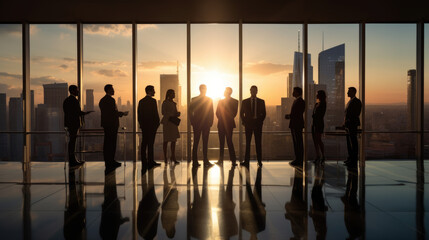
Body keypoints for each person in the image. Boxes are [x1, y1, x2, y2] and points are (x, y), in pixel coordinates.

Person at [99, 84, 128, 172]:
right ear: (108, 90)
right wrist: (123, 113)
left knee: (107, 143)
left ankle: (108, 161)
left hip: (106, 124)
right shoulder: (111, 100)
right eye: (112, 89)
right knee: (112, 143)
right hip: (112, 125)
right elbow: (113, 113)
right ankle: (111, 161)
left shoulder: (102, 100)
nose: (114, 91)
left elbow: (107, 113)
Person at [63, 85, 92, 167]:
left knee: (72, 142)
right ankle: (73, 160)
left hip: (70, 124)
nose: (78, 92)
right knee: (73, 142)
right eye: (77, 90)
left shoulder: (67, 100)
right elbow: (76, 112)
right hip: (73, 124)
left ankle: (73, 159)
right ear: (72, 91)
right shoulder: (74, 100)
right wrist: (85, 113)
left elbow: (68, 113)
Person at [240, 85, 266, 167]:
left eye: (255, 90)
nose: (253, 92)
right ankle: (246, 161)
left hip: (258, 125)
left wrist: (259, 122)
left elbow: (264, 114)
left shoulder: (261, 101)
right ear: (250, 91)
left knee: (258, 143)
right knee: (248, 143)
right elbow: (241, 113)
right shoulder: (245, 102)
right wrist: (245, 122)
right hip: (248, 125)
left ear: (257, 91)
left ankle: (259, 161)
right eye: (252, 90)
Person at [190, 84, 214, 168]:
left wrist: (211, 122)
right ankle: (198, 161)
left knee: (203, 142)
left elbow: (211, 112)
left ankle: (201, 161)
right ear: (200, 89)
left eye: (205, 88)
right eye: (203, 88)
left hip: (203, 124)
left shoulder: (196, 99)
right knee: (198, 142)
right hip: (200, 124)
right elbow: (190, 111)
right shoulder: (205, 99)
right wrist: (192, 121)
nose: (204, 90)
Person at [138, 85, 161, 169]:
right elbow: (155, 114)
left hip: (145, 126)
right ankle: (150, 161)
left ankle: (144, 161)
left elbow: (139, 115)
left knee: (144, 143)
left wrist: (142, 125)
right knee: (150, 144)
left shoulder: (141, 101)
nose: (154, 92)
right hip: (152, 126)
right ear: (149, 91)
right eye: (153, 90)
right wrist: (157, 124)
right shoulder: (153, 101)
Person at [216, 87, 238, 166]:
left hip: (226, 124)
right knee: (223, 142)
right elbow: (217, 112)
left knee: (229, 142)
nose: (224, 92)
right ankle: (224, 160)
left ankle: (231, 160)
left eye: (225, 91)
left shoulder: (235, 101)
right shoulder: (222, 101)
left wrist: (223, 118)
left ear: (229, 92)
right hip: (224, 124)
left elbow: (234, 113)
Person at [286, 87, 305, 167]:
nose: (292, 93)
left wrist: (290, 116)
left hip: (297, 125)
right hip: (295, 124)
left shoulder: (300, 101)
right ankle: (297, 159)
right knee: (296, 142)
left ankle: (299, 160)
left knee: (298, 143)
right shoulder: (297, 101)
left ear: (297, 92)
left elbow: (297, 114)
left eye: (294, 91)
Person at [161, 89, 180, 165]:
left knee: (173, 140)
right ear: (169, 94)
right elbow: (163, 112)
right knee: (166, 140)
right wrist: (173, 114)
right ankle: (165, 157)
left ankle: (173, 156)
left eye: (174, 93)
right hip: (167, 123)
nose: (174, 94)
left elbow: (173, 113)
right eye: (173, 93)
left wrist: (177, 114)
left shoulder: (174, 103)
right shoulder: (165, 103)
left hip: (173, 123)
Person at [344, 87, 362, 167]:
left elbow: (355, 114)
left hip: (352, 125)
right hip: (349, 125)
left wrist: (349, 121)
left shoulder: (357, 102)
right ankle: (350, 158)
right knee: (349, 142)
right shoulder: (351, 101)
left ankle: (353, 159)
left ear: (353, 92)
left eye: (349, 91)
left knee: (353, 142)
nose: (347, 93)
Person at [312, 90, 327, 164]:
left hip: (319, 124)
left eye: (317, 94)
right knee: (315, 140)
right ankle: (318, 155)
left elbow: (320, 114)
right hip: (314, 124)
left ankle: (322, 156)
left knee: (318, 140)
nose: (316, 95)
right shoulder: (316, 104)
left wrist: (315, 116)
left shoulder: (323, 104)